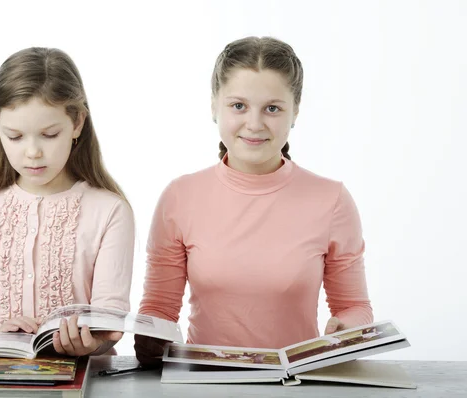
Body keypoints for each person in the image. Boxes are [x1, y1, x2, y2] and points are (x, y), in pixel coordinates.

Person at [134, 36, 373, 366]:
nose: (255, 124)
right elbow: (159, 309)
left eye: (272, 108)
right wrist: (149, 338)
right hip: (203, 381)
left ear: (296, 112)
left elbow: (355, 306)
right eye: (238, 106)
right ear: (214, 105)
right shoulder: (179, 197)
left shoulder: (331, 200)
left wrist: (346, 328)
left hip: (296, 382)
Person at [0, 47, 135, 357]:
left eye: (49, 135)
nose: (33, 151)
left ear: (77, 123)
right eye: (15, 136)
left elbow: (110, 315)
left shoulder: (109, 210)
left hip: (82, 382)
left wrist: (93, 341)